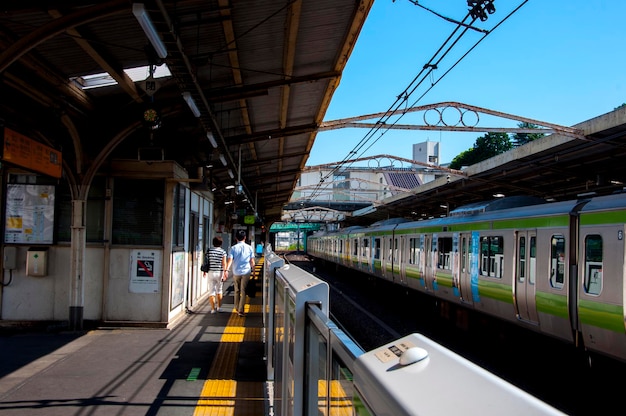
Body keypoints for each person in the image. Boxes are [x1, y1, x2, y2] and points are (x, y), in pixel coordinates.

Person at [226, 230, 255, 316]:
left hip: (236, 272)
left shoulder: (233, 248)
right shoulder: (249, 248)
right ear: (245, 238)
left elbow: (230, 260)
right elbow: (252, 261)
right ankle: (241, 310)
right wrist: (253, 271)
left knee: (237, 290)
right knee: (243, 291)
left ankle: (236, 307)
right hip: (246, 272)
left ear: (236, 238)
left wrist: (226, 270)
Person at [202, 236, 228, 314]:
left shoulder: (209, 251)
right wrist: (225, 272)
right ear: (221, 243)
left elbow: (206, 262)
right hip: (219, 273)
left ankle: (212, 309)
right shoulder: (223, 252)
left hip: (210, 272)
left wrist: (204, 271)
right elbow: (224, 263)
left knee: (211, 291)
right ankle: (219, 307)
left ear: (213, 243)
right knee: (219, 290)